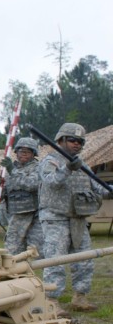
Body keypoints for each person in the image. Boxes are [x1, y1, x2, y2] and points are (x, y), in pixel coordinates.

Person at [39, 123, 111, 313]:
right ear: (61, 140)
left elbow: (98, 187)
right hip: (55, 218)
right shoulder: (50, 162)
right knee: (55, 259)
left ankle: (80, 297)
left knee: (85, 259)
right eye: (72, 140)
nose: (77, 144)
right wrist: (68, 168)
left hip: (78, 219)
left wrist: (110, 191)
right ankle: (51, 301)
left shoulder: (82, 164)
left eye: (80, 141)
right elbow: (51, 182)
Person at [0, 137, 43, 256]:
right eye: (21, 151)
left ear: (34, 154)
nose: (23, 154)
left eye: (28, 151)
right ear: (16, 152)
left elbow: (32, 184)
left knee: (37, 251)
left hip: (35, 216)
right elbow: (3, 195)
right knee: (12, 253)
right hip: (16, 217)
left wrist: (12, 170)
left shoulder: (39, 167)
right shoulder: (9, 169)